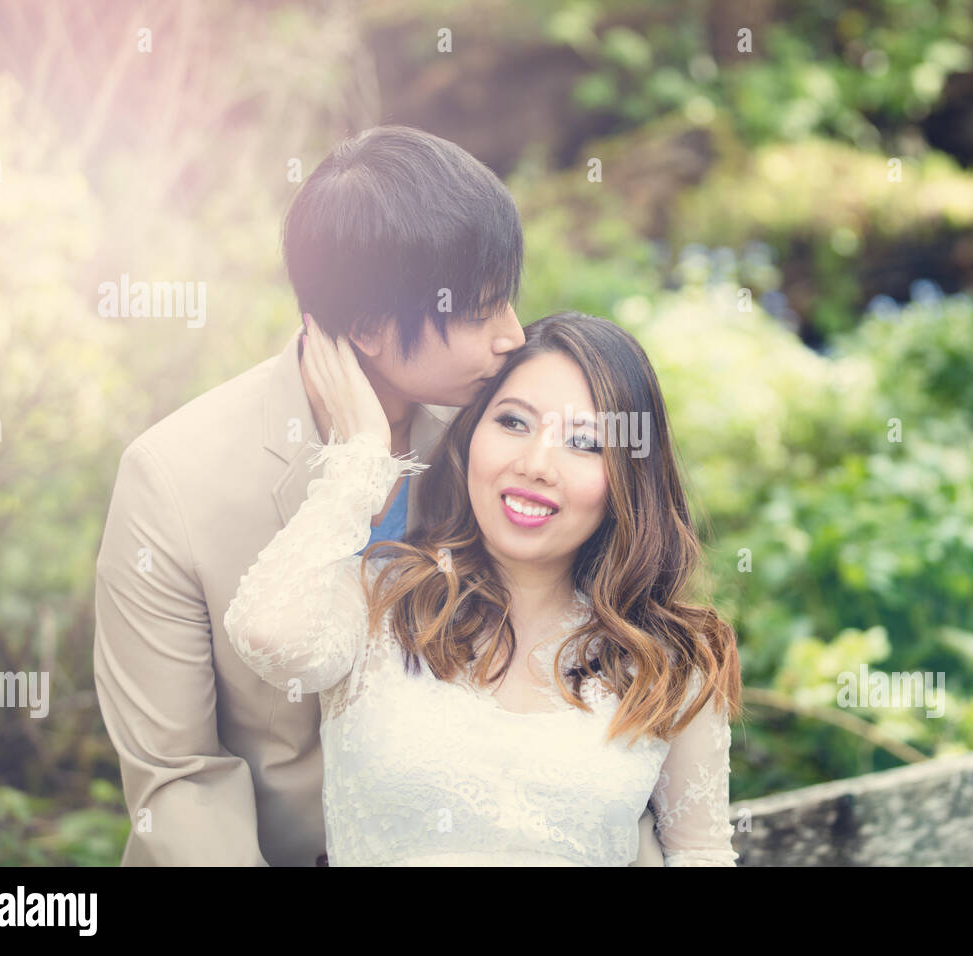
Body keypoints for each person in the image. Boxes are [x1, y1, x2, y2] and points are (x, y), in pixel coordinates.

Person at [94, 125, 667, 865]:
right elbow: (179, 779)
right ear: (366, 326)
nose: (511, 336)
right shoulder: (172, 478)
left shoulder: (496, 440)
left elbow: (598, 662)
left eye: (509, 301)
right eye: (479, 310)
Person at [224, 311, 744, 865]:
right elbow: (267, 636)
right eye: (514, 423)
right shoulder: (379, 598)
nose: (536, 464)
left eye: (585, 443)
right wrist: (364, 458)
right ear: (471, 434)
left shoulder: (671, 660)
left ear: (627, 477)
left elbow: (701, 853)